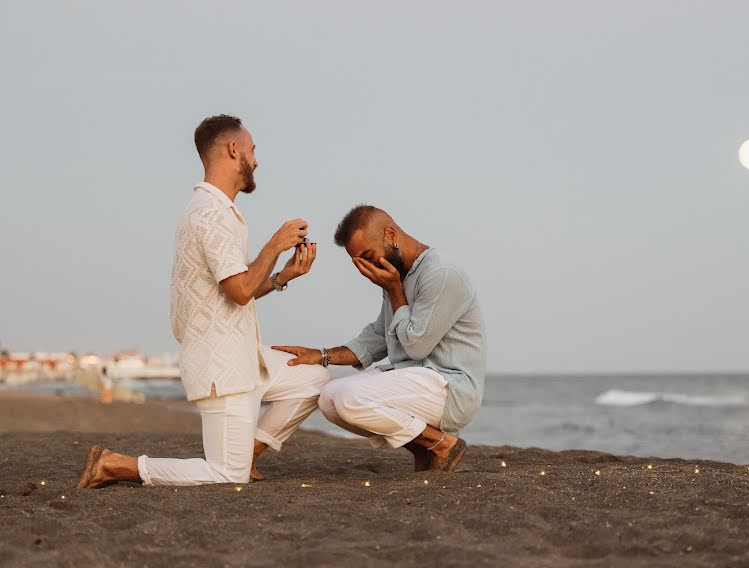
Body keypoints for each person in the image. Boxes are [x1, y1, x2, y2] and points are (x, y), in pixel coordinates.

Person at [79, 115, 329, 488]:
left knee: (313, 376)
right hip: (221, 366)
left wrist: (282, 277)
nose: (257, 160)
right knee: (225, 474)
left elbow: (236, 287)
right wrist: (275, 246)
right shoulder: (209, 213)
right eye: (253, 149)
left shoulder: (221, 212)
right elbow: (239, 292)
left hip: (245, 356)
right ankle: (118, 465)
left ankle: (249, 453)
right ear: (233, 150)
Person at [274, 205, 486, 472]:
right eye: (358, 262)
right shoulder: (398, 273)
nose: (366, 268)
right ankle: (424, 449)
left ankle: (441, 444)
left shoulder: (440, 273)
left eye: (368, 256)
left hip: (450, 387)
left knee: (348, 399)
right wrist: (322, 355)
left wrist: (394, 289)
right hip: (416, 379)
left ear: (390, 234)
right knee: (328, 400)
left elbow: (417, 345)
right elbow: (380, 336)